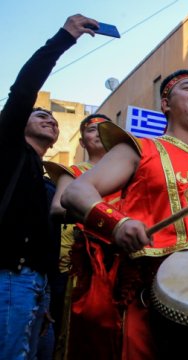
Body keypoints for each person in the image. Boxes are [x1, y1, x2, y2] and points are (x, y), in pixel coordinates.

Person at [60, 69, 188, 359]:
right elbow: (75, 193)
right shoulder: (141, 148)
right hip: (150, 302)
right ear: (165, 104)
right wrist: (117, 224)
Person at [0, 14, 97, 359]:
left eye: (54, 120)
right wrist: (64, 38)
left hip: (38, 285)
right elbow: (23, 89)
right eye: (40, 116)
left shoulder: (45, 180)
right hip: (10, 276)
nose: (50, 120)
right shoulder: (9, 149)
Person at [45, 114, 121, 359]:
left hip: (121, 258)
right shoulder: (74, 171)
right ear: (82, 141)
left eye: (104, 129)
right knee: (79, 325)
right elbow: (57, 209)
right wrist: (101, 216)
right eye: (91, 130)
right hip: (81, 260)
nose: (98, 133)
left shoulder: (125, 173)